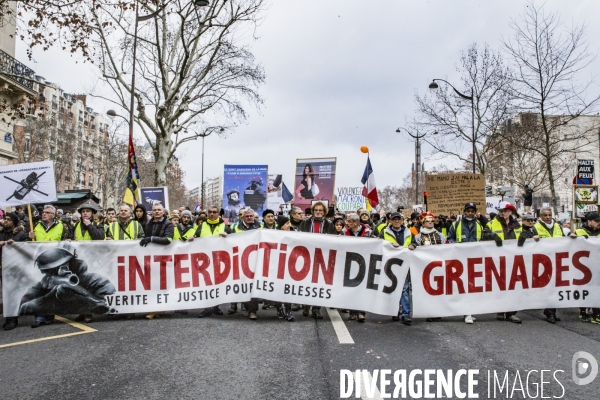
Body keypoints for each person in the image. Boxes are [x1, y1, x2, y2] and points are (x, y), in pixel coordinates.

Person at [19, 243, 116, 319]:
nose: (63, 271)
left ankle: (86, 315)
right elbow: (25, 304)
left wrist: (77, 291)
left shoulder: (94, 280)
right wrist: (51, 295)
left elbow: (109, 304)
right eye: (54, 270)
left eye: (65, 266)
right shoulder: (46, 282)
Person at [27, 204, 67, 328]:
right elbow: (26, 244)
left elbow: (68, 240)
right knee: (39, 289)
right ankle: (39, 317)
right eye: (43, 212)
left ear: (54, 215)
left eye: (47, 212)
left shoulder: (62, 226)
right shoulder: (35, 226)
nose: (44, 214)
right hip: (40, 264)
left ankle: (50, 315)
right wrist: (29, 238)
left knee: (52, 289)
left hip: (55, 263)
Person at [483, 201, 522, 324]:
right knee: (499, 285)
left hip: (513, 259)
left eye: (505, 211)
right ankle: (500, 309)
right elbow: (483, 237)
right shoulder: (491, 224)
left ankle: (511, 313)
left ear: (510, 212)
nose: (503, 213)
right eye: (501, 211)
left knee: (513, 286)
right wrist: (492, 235)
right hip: (497, 259)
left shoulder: (517, 225)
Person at [447, 202, 484, 324]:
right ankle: (465, 311)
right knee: (462, 285)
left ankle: (469, 311)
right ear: (464, 211)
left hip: (475, 259)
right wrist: (454, 245)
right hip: (460, 259)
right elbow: (450, 237)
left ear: (475, 212)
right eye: (468, 211)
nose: (470, 213)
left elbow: (484, 238)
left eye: (472, 211)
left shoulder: (479, 224)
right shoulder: (456, 224)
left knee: (472, 285)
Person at [298, 201, 335, 319]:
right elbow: (299, 237)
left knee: (319, 282)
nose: (318, 212)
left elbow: (334, 240)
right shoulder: (305, 223)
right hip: (307, 254)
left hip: (322, 256)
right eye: (316, 210)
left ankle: (316, 308)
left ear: (324, 212)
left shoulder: (329, 224)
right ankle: (306, 304)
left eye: (320, 210)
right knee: (306, 280)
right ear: (313, 211)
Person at [72, 199, 106, 323]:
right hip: (78, 259)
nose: (85, 213)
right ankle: (82, 311)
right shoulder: (75, 225)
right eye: (83, 212)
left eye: (88, 211)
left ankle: (89, 312)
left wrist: (89, 226)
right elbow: (70, 237)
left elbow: (99, 237)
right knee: (78, 287)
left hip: (93, 259)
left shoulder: (97, 225)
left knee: (89, 287)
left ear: (92, 214)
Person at [191, 206, 228, 318]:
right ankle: (207, 308)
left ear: (218, 214)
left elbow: (233, 240)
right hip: (205, 261)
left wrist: (228, 236)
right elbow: (195, 237)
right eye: (210, 212)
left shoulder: (225, 226)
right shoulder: (201, 225)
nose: (212, 214)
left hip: (219, 260)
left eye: (214, 212)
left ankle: (216, 307)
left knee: (218, 283)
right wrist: (191, 238)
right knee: (206, 283)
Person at [379, 212, 416, 325]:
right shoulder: (384, 232)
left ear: (402, 220)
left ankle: (405, 314)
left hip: (405, 264)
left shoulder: (409, 232)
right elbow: (378, 244)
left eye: (398, 219)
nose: (396, 221)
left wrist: (413, 245)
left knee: (404, 289)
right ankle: (394, 311)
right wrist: (389, 244)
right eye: (394, 219)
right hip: (390, 265)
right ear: (390, 221)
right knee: (391, 288)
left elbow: (415, 242)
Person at [140, 203, 174, 319]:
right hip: (152, 258)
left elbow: (168, 239)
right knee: (153, 283)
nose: (157, 212)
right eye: (154, 210)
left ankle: (158, 308)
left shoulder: (168, 224)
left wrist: (151, 239)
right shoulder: (149, 223)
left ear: (163, 212)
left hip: (164, 257)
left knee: (161, 283)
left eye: (159, 210)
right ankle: (157, 307)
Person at [228, 208, 261, 319]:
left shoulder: (260, 227)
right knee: (244, 285)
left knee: (253, 287)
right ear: (242, 217)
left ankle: (253, 311)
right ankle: (247, 307)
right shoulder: (234, 227)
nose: (249, 218)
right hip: (239, 259)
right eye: (247, 216)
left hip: (255, 260)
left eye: (251, 216)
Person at [570, 212, 600, 323]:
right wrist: (571, 238)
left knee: (597, 289)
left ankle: (597, 314)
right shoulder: (579, 232)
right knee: (584, 289)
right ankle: (583, 311)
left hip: (597, 265)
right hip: (583, 267)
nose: (599, 223)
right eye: (596, 221)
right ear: (589, 221)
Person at [1, 212, 30, 330]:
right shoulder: (1, 233)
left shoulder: (21, 233)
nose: (6, 221)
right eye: (4, 219)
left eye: (8, 219)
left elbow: (27, 247)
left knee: (11, 292)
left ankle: (12, 318)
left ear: (14, 221)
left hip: (14, 267)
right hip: (2, 266)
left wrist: (28, 239)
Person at [343, 213, 372, 322]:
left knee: (362, 287)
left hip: (364, 262)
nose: (347, 223)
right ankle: (352, 312)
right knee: (350, 286)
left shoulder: (368, 232)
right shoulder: (344, 232)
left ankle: (361, 312)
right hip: (349, 262)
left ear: (356, 223)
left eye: (349, 221)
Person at [271, 215, 295, 321]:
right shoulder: (274, 235)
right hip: (277, 265)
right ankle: (279, 309)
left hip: (290, 265)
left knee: (287, 289)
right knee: (277, 289)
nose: (289, 225)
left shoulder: (295, 234)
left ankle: (288, 311)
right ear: (281, 226)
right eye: (286, 223)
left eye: (289, 223)